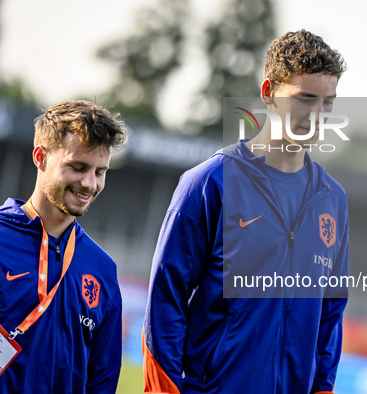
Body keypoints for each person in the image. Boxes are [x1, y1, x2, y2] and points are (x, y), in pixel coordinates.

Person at [143, 30, 349, 394]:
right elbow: (165, 297)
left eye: (327, 103)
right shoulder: (210, 182)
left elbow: (330, 316)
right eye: (305, 99)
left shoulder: (332, 199)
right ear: (269, 93)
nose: (317, 115)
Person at [0, 100, 128, 393]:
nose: (89, 183)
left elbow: (102, 380)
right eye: (78, 167)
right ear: (40, 157)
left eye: (100, 172)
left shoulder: (102, 270)